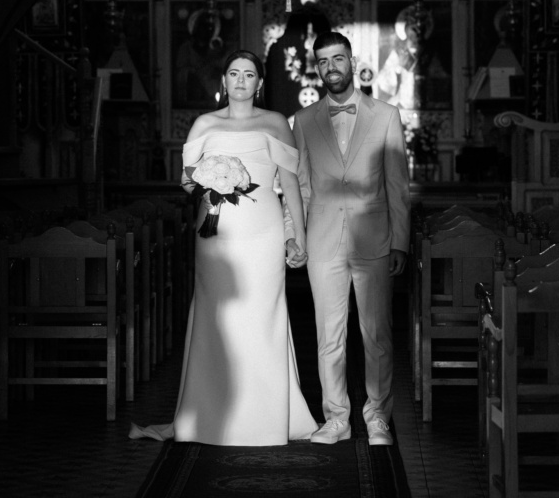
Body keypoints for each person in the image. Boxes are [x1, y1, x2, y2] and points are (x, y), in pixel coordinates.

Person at [130, 49, 317, 446]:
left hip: (263, 231)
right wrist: (212, 183)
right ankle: (213, 414)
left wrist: (297, 236)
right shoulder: (205, 123)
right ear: (224, 81)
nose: (240, 80)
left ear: (259, 83)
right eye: (234, 73)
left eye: (249, 74)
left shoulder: (276, 122)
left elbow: (292, 185)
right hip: (215, 231)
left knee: (260, 315)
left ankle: (265, 417)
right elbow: (186, 180)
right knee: (218, 316)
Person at [285, 32, 410, 446]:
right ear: (317, 68)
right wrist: (294, 237)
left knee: (377, 335)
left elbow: (397, 185)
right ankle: (337, 418)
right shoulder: (303, 120)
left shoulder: (386, 115)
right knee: (328, 337)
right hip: (323, 240)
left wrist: (400, 242)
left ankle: (377, 418)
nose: (331, 67)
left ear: (352, 62)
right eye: (323, 61)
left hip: (374, 238)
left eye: (338, 59)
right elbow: (299, 187)